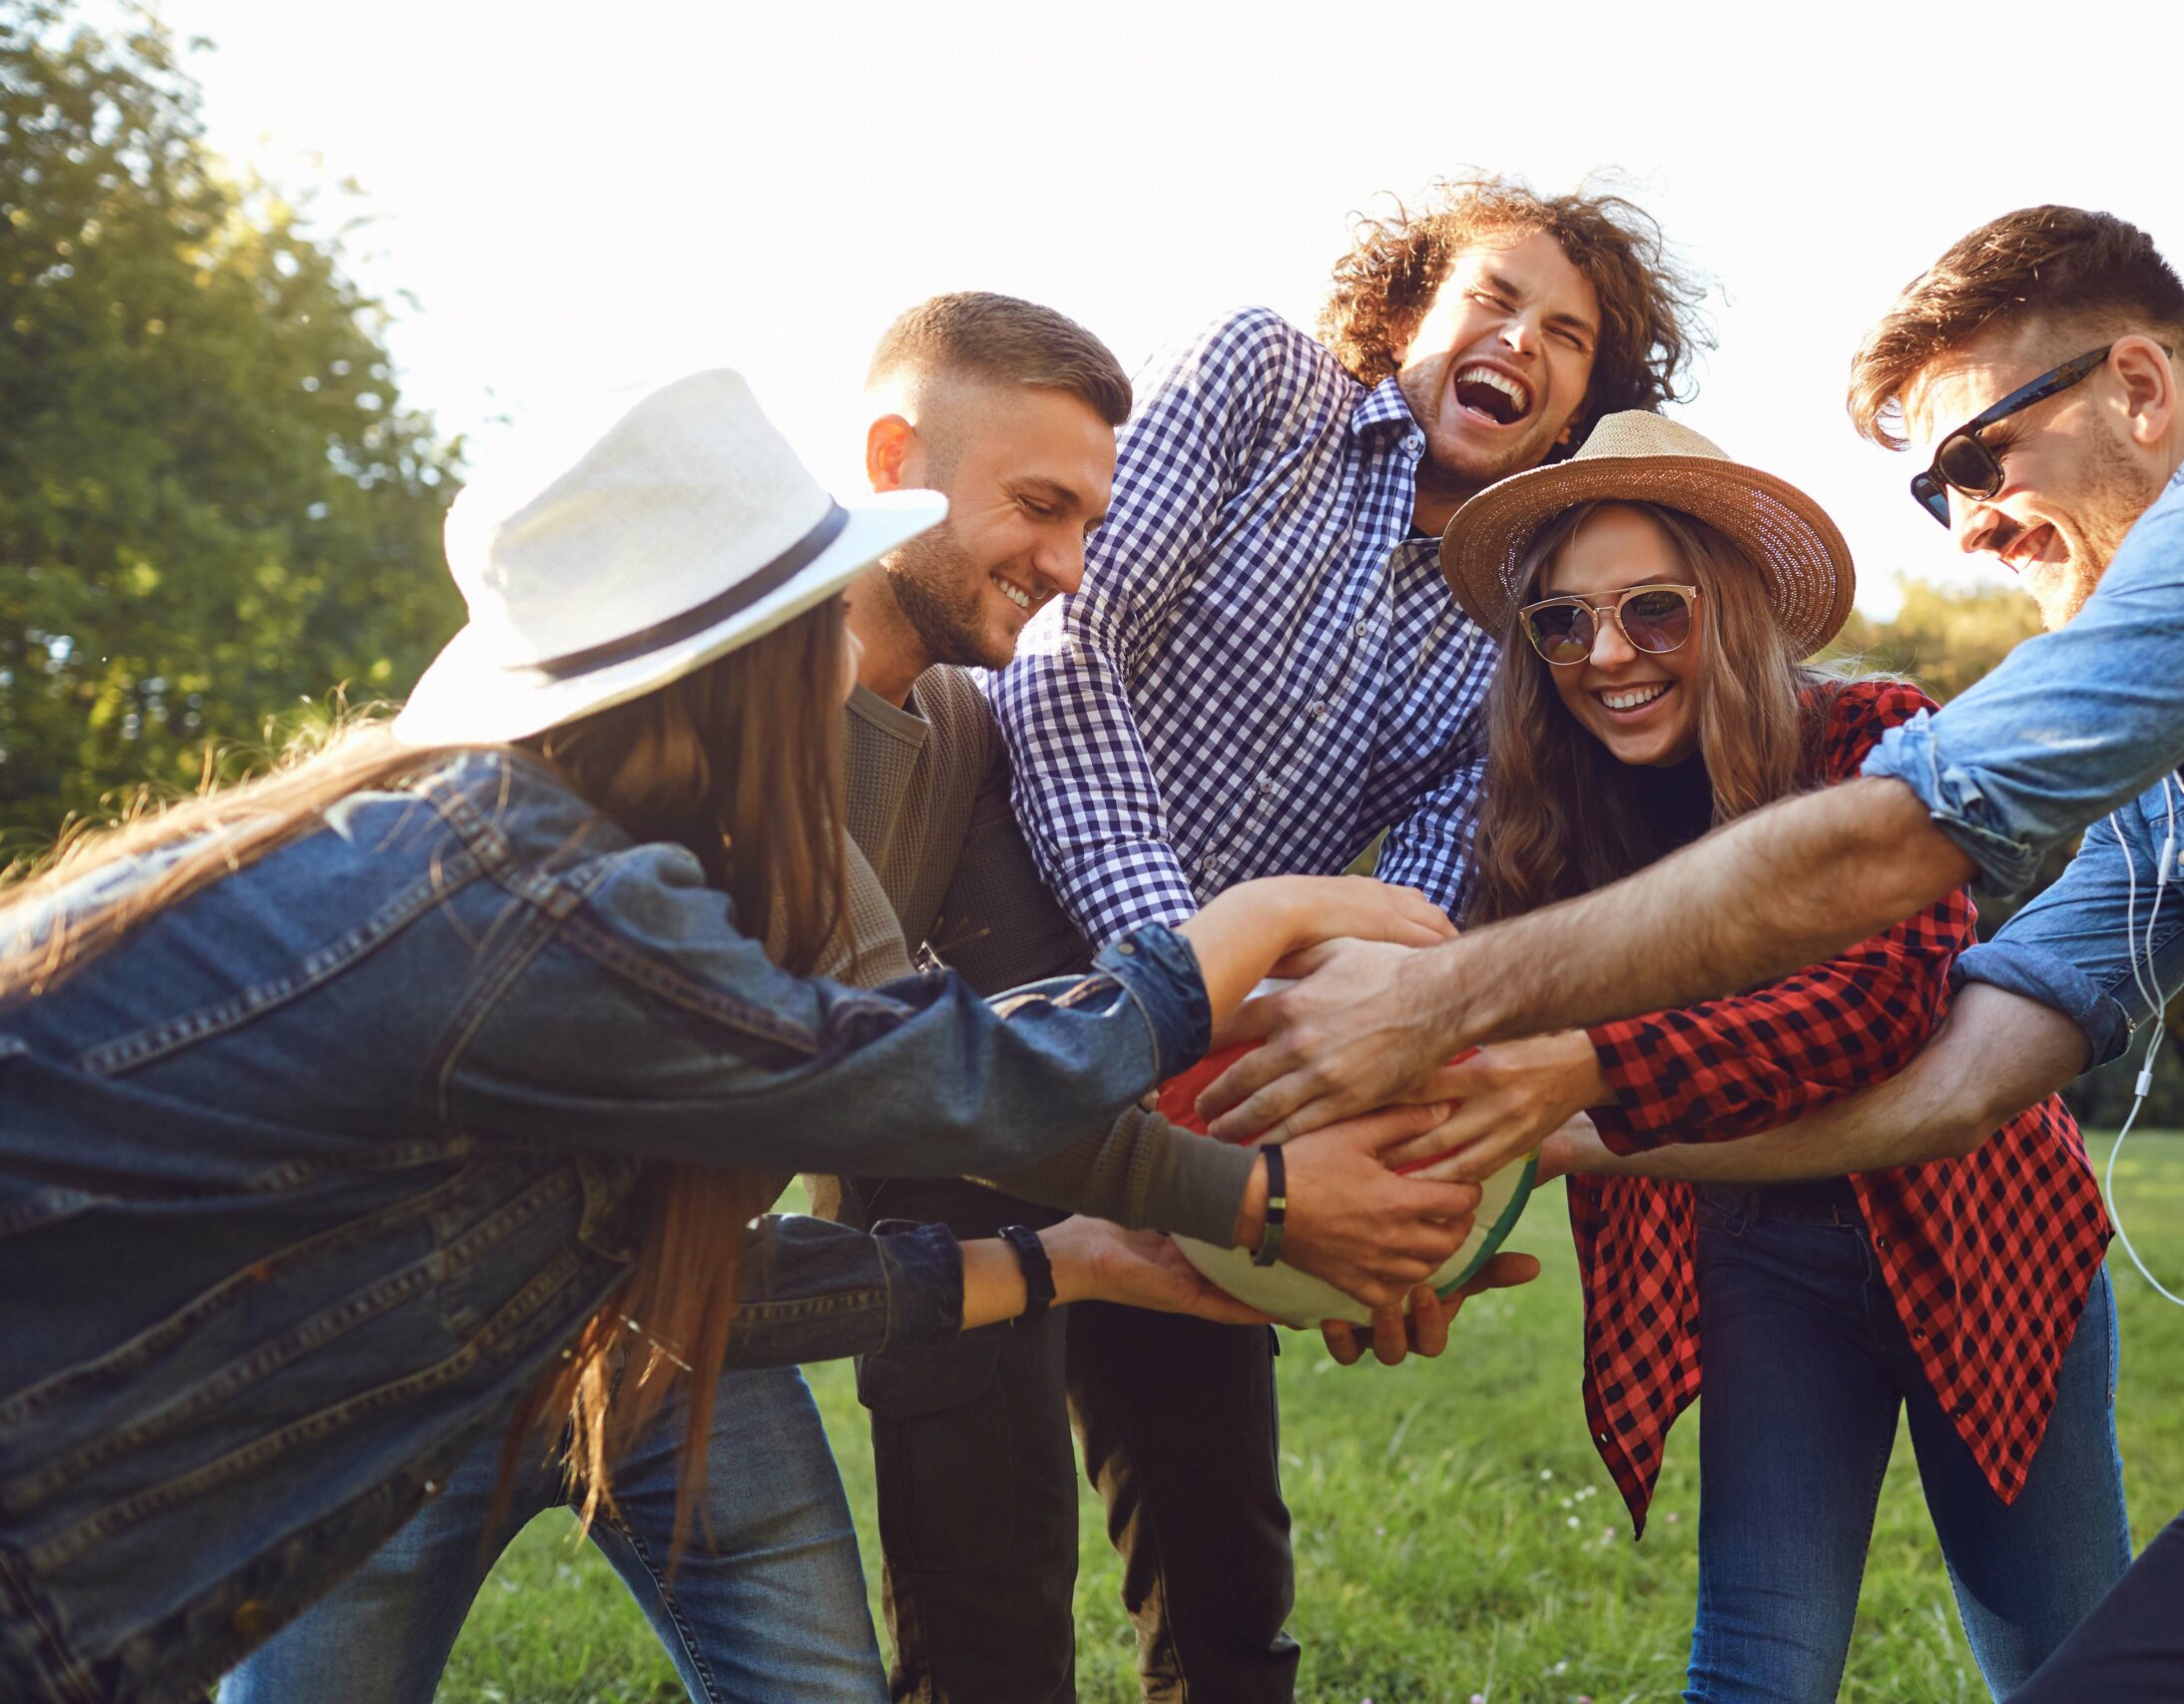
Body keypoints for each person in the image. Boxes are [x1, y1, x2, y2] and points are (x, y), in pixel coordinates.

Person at [1207, 205, 2184, 1701]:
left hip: (2133, 1290)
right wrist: (1500, 1167)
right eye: (1934, 490)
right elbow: (1975, 1065)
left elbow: (1889, 871)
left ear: (2138, 389)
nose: (1966, 523)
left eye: (1980, 457)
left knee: (2056, 1635)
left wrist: (1463, 1007)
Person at [0, 367, 1472, 1704]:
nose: (840, 656)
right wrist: (1256, 942)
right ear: (743, 671)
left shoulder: (517, 870)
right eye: (813, 626)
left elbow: (660, 1278)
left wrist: (1076, 1259)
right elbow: (935, 1076)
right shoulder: (537, 913)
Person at [841, 177, 1703, 1703]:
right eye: (1493, 299)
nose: (1523, 341)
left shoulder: (1524, 617)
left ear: (1585, 397)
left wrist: (1408, 1174)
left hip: (1236, 1002)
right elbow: (1066, 636)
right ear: (1412, 313)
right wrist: (1176, 967)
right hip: (1006, 903)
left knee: (1217, 1507)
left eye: (1569, 337)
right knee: (981, 1478)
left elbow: (1428, 914)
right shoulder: (1265, 386)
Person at [1401, 410, 2125, 1700]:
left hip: (1984, 1236)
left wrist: (1595, 1070)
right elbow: (1492, 1067)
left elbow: (1876, 1005)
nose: (1605, 654)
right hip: (1752, 1252)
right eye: (1562, 622)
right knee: (1753, 1664)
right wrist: (1424, 1239)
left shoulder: (1872, 740)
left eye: (1654, 611)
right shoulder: (1546, 828)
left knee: (2064, 1655)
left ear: (1731, 610)